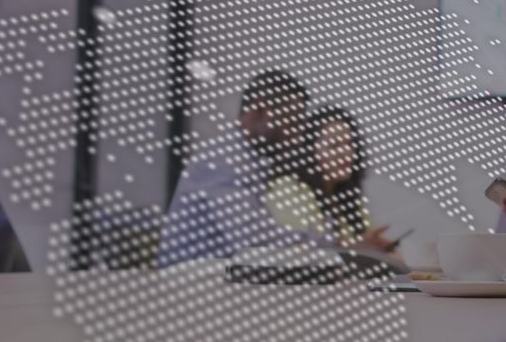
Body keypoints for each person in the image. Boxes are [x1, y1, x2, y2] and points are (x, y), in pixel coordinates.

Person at [158, 70, 330, 266]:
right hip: (188, 285)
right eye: (291, 123)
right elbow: (251, 240)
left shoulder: (247, 160)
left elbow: (260, 229)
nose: (298, 139)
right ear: (257, 111)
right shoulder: (221, 161)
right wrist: (311, 241)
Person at [267, 105, 395, 252]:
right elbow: (302, 251)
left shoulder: (348, 197)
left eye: (350, 145)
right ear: (310, 151)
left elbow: (371, 240)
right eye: (334, 145)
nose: (347, 153)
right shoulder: (288, 188)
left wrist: (381, 249)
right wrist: (358, 248)